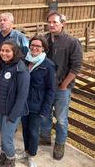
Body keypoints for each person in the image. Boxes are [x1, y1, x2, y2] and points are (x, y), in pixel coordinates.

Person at [40, 11, 82, 160]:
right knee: (45, 113)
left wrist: (64, 85)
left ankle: (60, 143)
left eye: (55, 22)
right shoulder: (44, 39)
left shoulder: (72, 42)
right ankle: (45, 136)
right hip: (46, 86)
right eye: (49, 22)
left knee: (61, 118)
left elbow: (76, 67)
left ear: (62, 24)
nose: (51, 25)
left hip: (61, 88)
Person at [0, 41, 30, 167]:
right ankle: (4, 154)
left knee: (7, 138)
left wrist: (13, 116)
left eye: (8, 51)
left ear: (14, 52)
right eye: (2, 50)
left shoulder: (21, 70)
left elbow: (22, 96)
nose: (4, 53)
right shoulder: (1, 65)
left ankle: (10, 160)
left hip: (12, 111)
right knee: (3, 135)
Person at [22, 35, 55, 167]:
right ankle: (26, 151)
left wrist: (45, 111)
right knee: (24, 129)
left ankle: (32, 156)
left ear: (44, 48)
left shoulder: (48, 65)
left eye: (38, 46)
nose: (34, 48)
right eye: (33, 45)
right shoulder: (25, 61)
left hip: (37, 106)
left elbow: (51, 90)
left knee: (33, 131)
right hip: (23, 104)